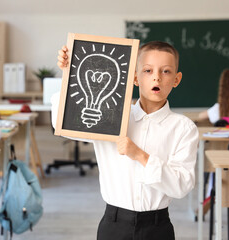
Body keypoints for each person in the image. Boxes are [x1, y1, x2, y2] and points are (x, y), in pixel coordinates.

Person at [55, 41, 199, 240]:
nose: (156, 76)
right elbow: (64, 125)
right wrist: (68, 73)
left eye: (166, 71)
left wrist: (140, 155)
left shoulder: (183, 128)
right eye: (147, 70)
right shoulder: (109, 117)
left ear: (176, 79)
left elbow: (182, 185)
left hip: (157, 227)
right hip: (114, 225)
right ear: (135, 77)